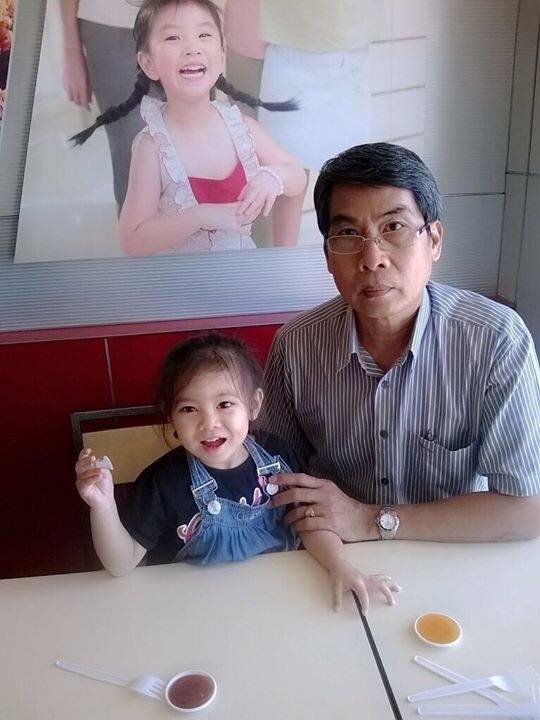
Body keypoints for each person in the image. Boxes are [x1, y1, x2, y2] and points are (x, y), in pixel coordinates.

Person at [259, 142, 540, 543]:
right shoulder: (296, 346)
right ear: (328, 255)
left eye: (394, 227)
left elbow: (526, 510)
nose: (372, 258)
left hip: (454, 552)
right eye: (348, 233)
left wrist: (371, 519)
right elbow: (272, 478)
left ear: (434, 240)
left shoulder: (496, 341)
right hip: (338, 556)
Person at [75, 333, 400, 613]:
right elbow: (121, 563)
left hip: (282, 600)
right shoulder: (162, 483)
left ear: (253, 405)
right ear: (171, 419)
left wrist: (339, 565)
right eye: (189, 409)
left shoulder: (278, 458)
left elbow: (310, 524)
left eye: (225, 404)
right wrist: (102, 506)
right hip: (193, 612)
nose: (208, 423)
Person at [71, 0, 306, 255]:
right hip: (181, 277)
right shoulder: (153, 147)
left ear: (222, 55)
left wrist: (273, 177)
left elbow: (296, 176)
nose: (192, 49)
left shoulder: (241, 128)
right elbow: (132, 241)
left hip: (241, 272)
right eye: (173, 37)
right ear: (148, 63)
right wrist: (201, 216)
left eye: (204, 35)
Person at [59, 0, 142, 210]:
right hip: (113, 23)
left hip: (190, 18)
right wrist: (71, 50)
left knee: (197, 151)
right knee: (133, 160)